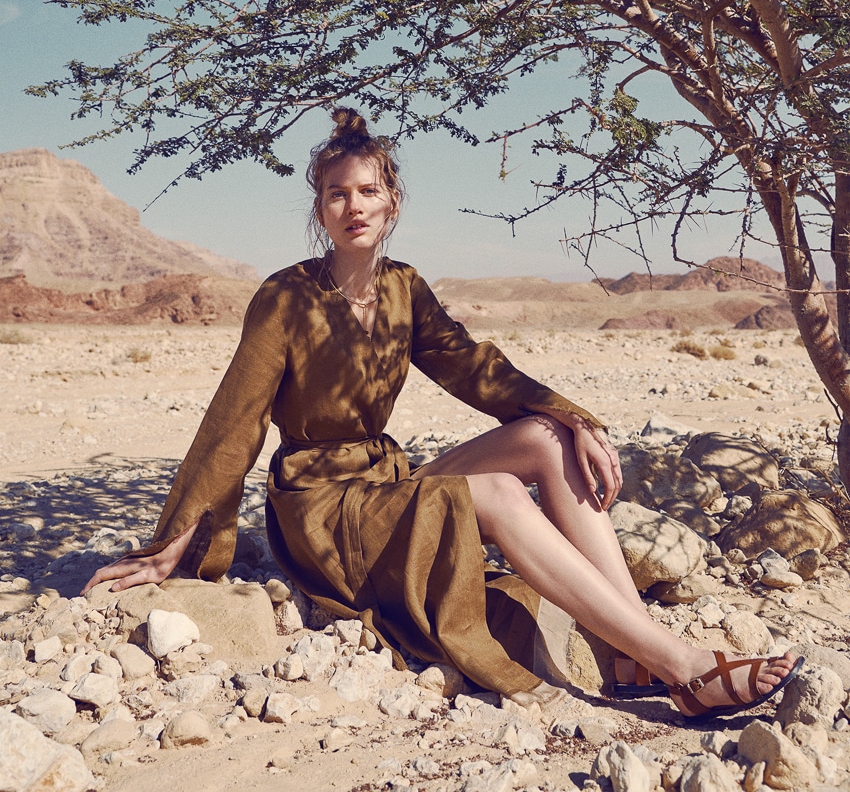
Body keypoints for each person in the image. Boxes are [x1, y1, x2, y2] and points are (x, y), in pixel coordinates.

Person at [83, 108, 801, 720]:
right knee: (498, 493)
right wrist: (178, 538)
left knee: (546, 437)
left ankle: (626, 652)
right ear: (320, 209)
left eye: (368, 191)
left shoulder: (405, 288)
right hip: (319, 505)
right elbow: (233, 422)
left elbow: (473, 367)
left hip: (382, 480)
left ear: (392, 202)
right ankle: (682, 666)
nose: (354, 206)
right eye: (337, 194)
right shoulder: (286, 296)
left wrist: (575, 417)